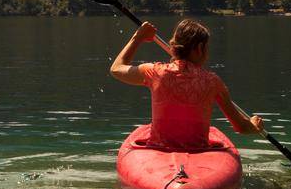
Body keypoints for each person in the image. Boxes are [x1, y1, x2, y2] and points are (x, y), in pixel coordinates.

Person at [110, 18, 264, 148]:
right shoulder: (213, 81)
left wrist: (138, 37)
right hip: (199, 152)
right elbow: (241, 127)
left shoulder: (155, 72)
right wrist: (254, 125)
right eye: (206, 47)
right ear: (199, 48)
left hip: (160, 150)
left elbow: (116, 69)